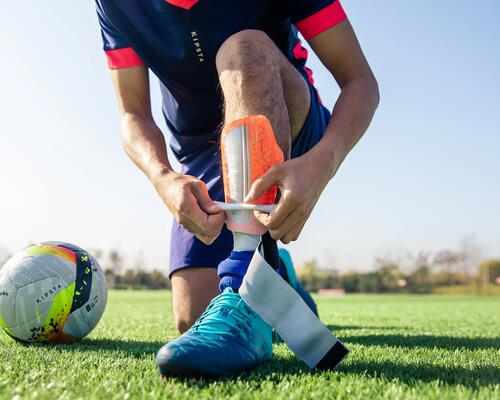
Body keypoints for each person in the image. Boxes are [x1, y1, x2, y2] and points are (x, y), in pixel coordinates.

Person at [95, 0, 379, 376]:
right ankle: (276, 270)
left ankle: (249, 269)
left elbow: (360, 80)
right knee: (191, 317)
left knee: (244, 47)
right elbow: (133, 114)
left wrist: (322, 163)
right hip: (202, 151)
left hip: (292, 122)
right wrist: (162, 176)